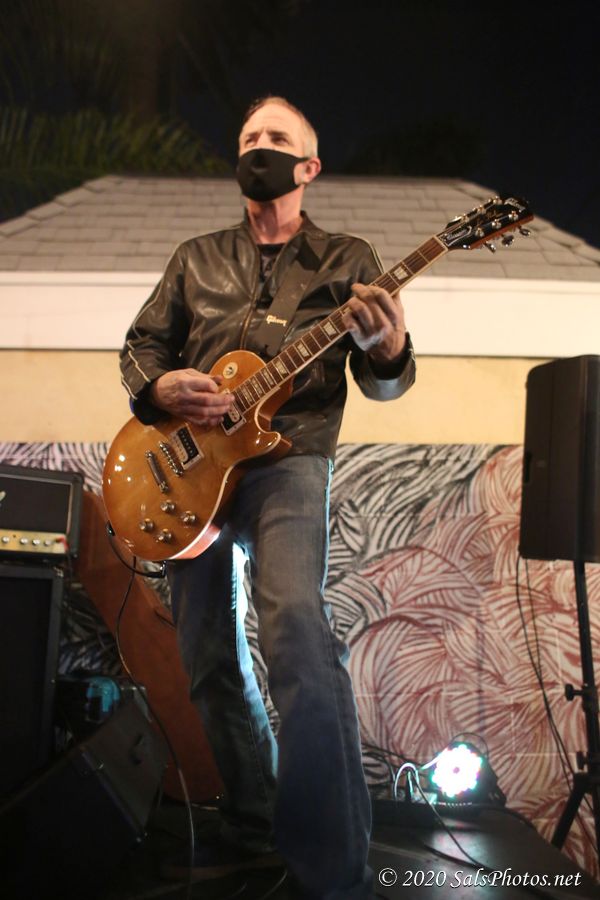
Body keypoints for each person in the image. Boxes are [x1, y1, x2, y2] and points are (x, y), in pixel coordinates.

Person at [119, 96, 415, 899]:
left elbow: (383, 384)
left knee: (295, 633)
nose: (260, 146)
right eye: (250, 137)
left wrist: (389, 350)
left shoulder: (348, 258)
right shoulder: (195, 258)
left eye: (277, 138)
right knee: (205, 652)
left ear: (309, 166)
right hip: (188, 470)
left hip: (290, 460)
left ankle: (331, 867)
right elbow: (142, 345)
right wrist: (159, 387)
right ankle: (252, 821)